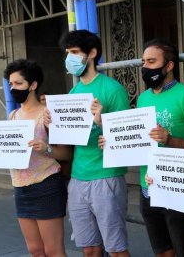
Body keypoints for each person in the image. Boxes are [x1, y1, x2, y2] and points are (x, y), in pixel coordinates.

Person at [44, 30, 130, 257]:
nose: (69, 59)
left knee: (116, 249)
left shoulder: (112, 90)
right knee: (89, 249)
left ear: (91, 54)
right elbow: (66, 142)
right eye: (67, 53)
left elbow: (128, 138)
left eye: (74, 52)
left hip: (106, 176)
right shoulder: (73, 92)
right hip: (78, 179)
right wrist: (50, 124)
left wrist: (102, 122)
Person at [2, 59, 72, 257]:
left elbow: (66, 154)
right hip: (20, 187)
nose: (13, 88)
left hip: (46, 184)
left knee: (53, 250)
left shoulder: (47, 115)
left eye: (18, 84)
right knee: (35, 250)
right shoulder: (13, 116)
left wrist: (46, 149)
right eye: (11, 84)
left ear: (32, 85)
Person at [138, 39, 184, 257]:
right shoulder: (143, 98)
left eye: (152, 61)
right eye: (144, 61)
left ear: (169, 66)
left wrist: (169, 139)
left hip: (178, 187)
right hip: (147, 186)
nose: (146, 67)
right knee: (162, 251)